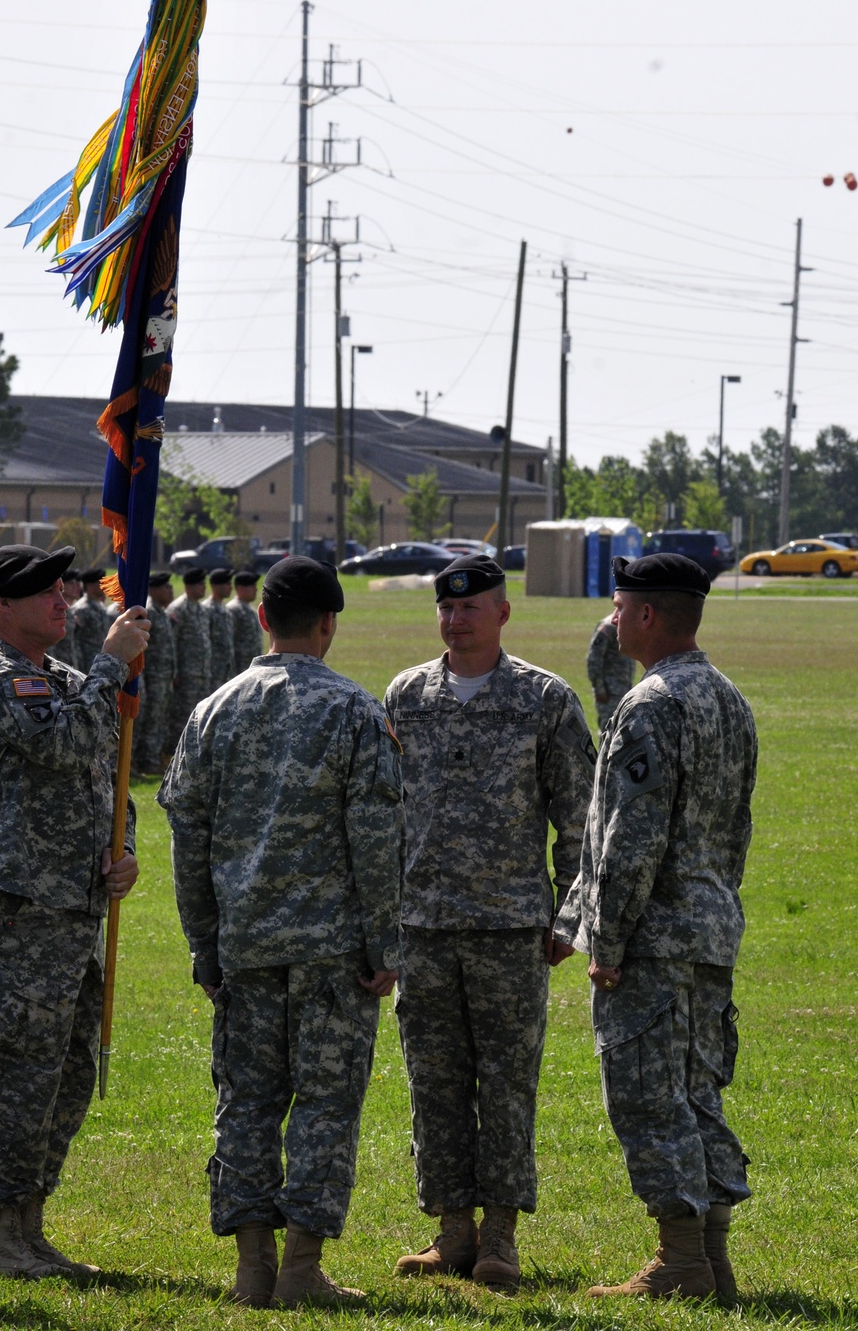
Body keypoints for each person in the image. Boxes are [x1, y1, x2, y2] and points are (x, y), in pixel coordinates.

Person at [159, 556, 403, 1310]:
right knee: (326, 1104)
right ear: (329, 624)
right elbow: (376, 843)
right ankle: (302, 1267)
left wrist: (205, 944)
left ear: (262, 618)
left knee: (248, 1103)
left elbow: (186, 842)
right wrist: (384, 946)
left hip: (245, 948)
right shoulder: (356, 712)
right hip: (332, 952)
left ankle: (251, 1269)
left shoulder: (213, 710)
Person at [383, 553, 596, 1292]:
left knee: (507, 1083)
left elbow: (579, 819)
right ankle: (451, 1232)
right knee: (434, 1083)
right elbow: (383, 816)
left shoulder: (545, 699)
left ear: (503, 612)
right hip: (425, 927)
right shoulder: (406, 696)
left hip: (512, 927)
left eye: (472, 607)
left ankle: (500, 1236)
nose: (457, 618)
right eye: (446, 607)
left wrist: (571, 913)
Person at [554, 554, 757, 1301]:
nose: (611, 621)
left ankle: (679, 1261)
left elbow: (630, 840)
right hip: (709, 929)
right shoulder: (727, 697)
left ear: (645, 616)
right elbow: (735, 827)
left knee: (648, 1096)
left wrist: (605, 941)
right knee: (699, 1092)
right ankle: (712, 1260)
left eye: (617, 607)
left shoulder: (651, 704)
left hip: (655, 940)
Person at [0, 543, 150, 1280]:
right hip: (23, 904)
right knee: (29, 1066)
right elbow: (64, 747)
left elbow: (112, 775)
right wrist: (110, 664)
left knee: (68, 1071)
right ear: (3, 605)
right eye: (45, 593)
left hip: (77, 903)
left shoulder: (66, 679)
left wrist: (122, 846)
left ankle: (30, 1225)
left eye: (65, 588)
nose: (63, 600)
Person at [132, 571, 176, 776]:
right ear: (155, 590)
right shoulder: (148, 612)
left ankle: (153, 759)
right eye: (166, 587)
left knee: (159, 718)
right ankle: (141, 761)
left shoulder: (161, 612)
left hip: (163, 675)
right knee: (147, 719)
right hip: (151, 675)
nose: (171, 591)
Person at [165, 567, 210, 756]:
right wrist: (174, 672)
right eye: (200, 584)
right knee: (182, 716)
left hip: (202, 671)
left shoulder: (201, 609)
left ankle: (193, 753)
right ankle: (175, 754)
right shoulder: (177, 609)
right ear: (189, 586)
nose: (203, 588)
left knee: (200, 715)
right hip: (185, 673)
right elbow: (172, 642)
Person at [586, 611, 635, 734]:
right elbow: (594, 659)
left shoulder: (628, 624)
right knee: (608, 732)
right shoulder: (608, 626)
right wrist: (599, 689)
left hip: (625, 689)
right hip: (609, 692)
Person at [69, 568, 110, 673]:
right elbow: (75, 641)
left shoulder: (101, 606)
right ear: (90, 585)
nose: (106, 585)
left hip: (102, 663)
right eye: (101, 582)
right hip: (87, 666)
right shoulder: (81, 609)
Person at [202, 566, 235, 693]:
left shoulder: (225, 610)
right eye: (227, 583)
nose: (230, 587)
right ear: (215, 586)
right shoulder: (207, 609)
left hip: (226, 671)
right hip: (212, 672)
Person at [227, 569, 264, 674]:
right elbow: (229, 641)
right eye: (252, 586)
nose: (256, 589)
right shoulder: (233, 609)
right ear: (240, 589)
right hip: (240, 667)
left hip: (252, 666)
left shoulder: (250, 608)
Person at [56, 567, 83, 668]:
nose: (77, 587)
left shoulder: (71, 612)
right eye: (71, 583)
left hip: (72, 665)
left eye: (77, 583)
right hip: (58, 665)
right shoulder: (55, 611)